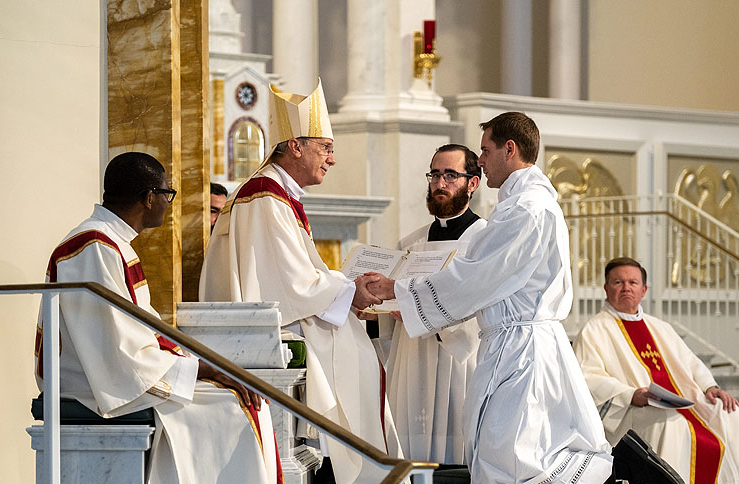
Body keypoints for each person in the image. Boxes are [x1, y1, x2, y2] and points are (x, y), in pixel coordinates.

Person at [363, 112, 613, 483]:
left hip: (520, 352)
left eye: (485, 149)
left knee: (512, 463)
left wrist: (395, 290)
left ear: (509, 150)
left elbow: (474, 279)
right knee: (504, 457)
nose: (481, 159)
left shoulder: (526, 209)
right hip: (513, 345)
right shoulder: (521, 205)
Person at [33, 152, 281, 484]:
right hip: (92, 387)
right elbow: (117, 352)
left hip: (113, 377)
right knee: (233, 409)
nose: (168, 202)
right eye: (167, 193)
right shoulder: (95, 246)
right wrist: (204, 369)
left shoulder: (111, 242)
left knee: (240, 400)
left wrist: (200, 366)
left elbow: (138, 331)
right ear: (149, 198)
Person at [199, 80, 403, 484]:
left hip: (278, 327)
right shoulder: (266, 197)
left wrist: (346, 291)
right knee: (358, 358)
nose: (332, 159)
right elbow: (290, 286)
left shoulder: (276, 194)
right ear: (294, 145)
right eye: (325, 147)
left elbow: (294, 276)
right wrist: (349, 291)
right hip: (270, 336)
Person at [572, 257, 739, 484]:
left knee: (731, 414)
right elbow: (587, 378)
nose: (626, 287)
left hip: (681, 400)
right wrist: (631, 395)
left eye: (633, 282)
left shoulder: (659, 327)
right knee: (672, 423)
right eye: (618, 282)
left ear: (644, 290)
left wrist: (710, 386)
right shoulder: (594, 330)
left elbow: (691, 362)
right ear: (606, 289)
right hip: (631, 409)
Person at [380, 143, 487, 465]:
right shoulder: (410, 243)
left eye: (451, 175)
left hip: (459, 361)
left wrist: (420, 310)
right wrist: (375, 308)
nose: (440, 184)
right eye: (435, 174)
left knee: (456, 448)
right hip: (410, 358)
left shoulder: (484, 239)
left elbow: (479, 304)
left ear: (473, 183)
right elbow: (387, 313)